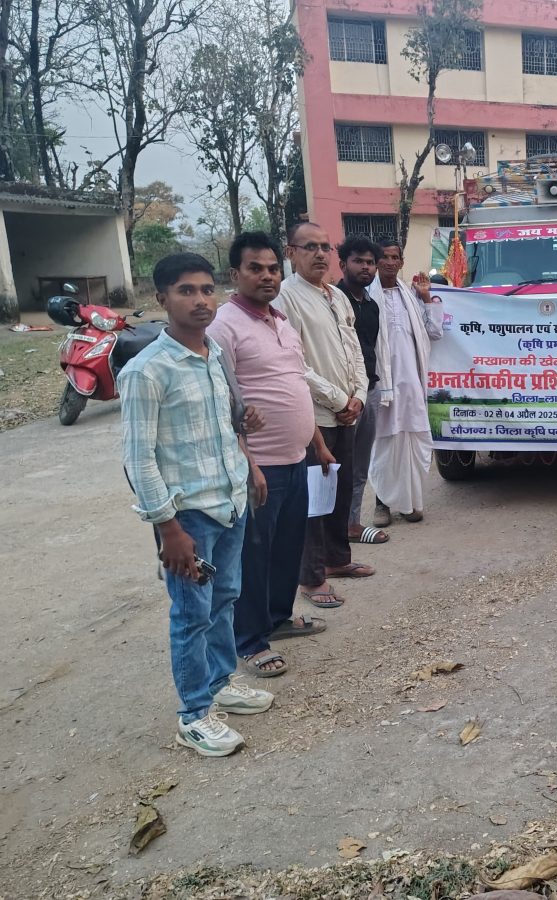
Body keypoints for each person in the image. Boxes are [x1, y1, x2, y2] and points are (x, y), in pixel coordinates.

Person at [119, 252, 274, 757]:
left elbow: (228, 425)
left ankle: (220, 682)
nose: (200, 300)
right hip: (188, 516)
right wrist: (169, 529)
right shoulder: (147, 371)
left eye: (207, 289)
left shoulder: (216, 355)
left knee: (225, 598)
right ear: (162, 299)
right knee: (191, 614)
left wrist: (249, 463)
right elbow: (139, 460)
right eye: (186, 291)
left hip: (229, 502)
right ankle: (193, 715)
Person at [208, 232, 336, 677]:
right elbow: (222, 401)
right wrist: (249, 464)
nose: (266, 276)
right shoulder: (223, 326)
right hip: (260, 467)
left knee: (287, 548)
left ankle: (278, 618)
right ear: (235, 273)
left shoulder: (281, 321)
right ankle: (249, 639)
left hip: (296, 459)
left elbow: (295, 384)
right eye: (255, 268)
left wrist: (317, 442)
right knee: (253, 556)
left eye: (272, 268)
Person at [273, 222, 373, 610]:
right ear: (291, 252)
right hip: (315, 414)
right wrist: (337, 398)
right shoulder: (286, 298)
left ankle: (336, 559)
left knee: (340, 490)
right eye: (309, 247)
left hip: (348, 411)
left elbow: (355, 351)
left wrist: (359, 395)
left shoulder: (337, 296)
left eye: (324, 247)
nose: (319, 254)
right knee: (313, 499)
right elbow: (293, 363)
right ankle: (311, 577)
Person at [369, 240, 443, 524]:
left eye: (395, 257)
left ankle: (410, 503)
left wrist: (425, 297)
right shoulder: (366, 297)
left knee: (413, 442)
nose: (390, 262)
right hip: (381, 384)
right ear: (376, 262)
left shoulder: (410, 298)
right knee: (384, 444)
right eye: (384, 257)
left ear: (401, 262)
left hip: (411, 383)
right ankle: (382, 504)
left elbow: (434, 332)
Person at [336, 235, 392, 545]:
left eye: (370, 262)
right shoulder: (332, 302)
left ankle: (351, 524)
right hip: (341, 398)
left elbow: (371, 350)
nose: (366, 267)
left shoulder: (371, 306)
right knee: (337, 466)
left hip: (370, 391)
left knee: (359, 466)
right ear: (343, 264)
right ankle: (331, 531)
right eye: (358, 261)